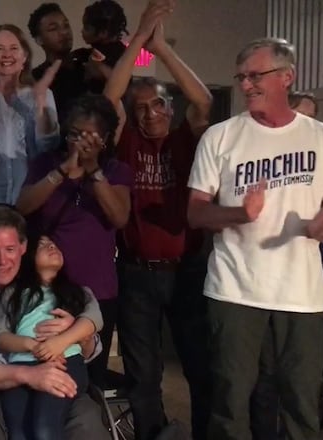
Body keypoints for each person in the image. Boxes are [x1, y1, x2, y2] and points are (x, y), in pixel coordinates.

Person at [187, 37, 323, 439]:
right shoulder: (220, 137)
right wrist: (240, 213)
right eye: (241, 77)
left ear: (287, 76)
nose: (247, 85)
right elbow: (196, 211)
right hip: (234, 290)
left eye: (256, 75)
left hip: (301, 295)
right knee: (230, 402)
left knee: (301, 403)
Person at [103, 1, 213, 438]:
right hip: (136, 274)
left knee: (200, 368)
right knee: (142, 375)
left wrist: (161, 47)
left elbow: (203, 100)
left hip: (188, 271)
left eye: (158, 104)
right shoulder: (127, 142)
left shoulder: (188, 140)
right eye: (142, 107)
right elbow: (112, 97)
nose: (150, 113)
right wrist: (140, 37)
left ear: (170, 107)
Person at [0, 206, 109, 439]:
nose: (2, 260)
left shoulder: (52, 288)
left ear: (23, 248)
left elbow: (90, 348)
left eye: (10, 249)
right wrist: (28, 373)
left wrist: (78, 333)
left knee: (87, 419)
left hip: (54, 370)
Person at [16, 93, 131, 389]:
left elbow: (119, 217)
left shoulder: (116, 170)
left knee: (89, 375)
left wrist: (93, 170)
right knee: (50, 369)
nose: (81, 142)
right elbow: (23, 206)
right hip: (50, 289)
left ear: (105, 138)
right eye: (75, 133)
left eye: (91, 136)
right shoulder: (47, 163)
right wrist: (60, 172)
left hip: (98, 289)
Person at [248, 89, 323, 439]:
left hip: (304, 291)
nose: (307, 125)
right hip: (255, 287)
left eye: (313, 118)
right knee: (263, 381)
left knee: (300, 385)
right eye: (301, 116)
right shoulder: (258, 158)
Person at [0, 234, 98, 439]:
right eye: (42, 245)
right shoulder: (12, 294)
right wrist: (33, 346)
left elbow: (94, 320)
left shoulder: (79, 293)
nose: (52, 246)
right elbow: (0, 336)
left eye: (55, 244)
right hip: (21, 368)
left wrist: (60, 342)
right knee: (19, 433)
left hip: (65, 362)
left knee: (45, 429)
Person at [0, 24, 60, 217]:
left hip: (30, 197)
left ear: (24, 57)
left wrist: (39, 104)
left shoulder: (42, 94)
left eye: (14, 48)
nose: (7, 54)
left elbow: (48, 146)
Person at [27, 2, 125, 129]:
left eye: (66, 25)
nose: (63, 32)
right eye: (53, 28)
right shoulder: (37, 77)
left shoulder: (91, 59)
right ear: (38, 39)